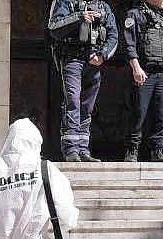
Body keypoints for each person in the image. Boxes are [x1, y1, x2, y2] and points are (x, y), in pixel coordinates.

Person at [48, 0, 118, 162]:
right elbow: (53, 28)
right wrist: (79, 16)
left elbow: (113, 35)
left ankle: (83, 149)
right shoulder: (64, 2)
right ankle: (70, 149)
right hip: (72, 59)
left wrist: (103, 55)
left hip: (93, 62)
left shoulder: (103, 6)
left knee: (88, 106)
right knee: (72, 101)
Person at [122, 0, 163, 163]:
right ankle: (132, 151)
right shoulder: (134, 15)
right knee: (139, 114)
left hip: (161, 74)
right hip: (144, 72)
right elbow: (128, 43)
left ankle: (157, 152)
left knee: (160, 115)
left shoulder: (161, 19)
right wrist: (136, 67)